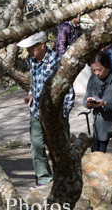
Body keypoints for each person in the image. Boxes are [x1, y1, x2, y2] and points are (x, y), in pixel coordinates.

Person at [18, 31, 75, 187]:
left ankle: (64, 179)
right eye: (27, 48)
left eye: (31, 48)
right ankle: (44, 180)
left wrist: (62, 116)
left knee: (61, 149)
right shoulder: (32, 59)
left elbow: (68, 92)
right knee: (37, 146)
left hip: (56, 115)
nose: (28, 52)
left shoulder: (59, 62)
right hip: (36, 111)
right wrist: (31, 94)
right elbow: (35, 81)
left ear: (42, 45)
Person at [84, 51, 112, 153]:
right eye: (94, 70)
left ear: (108, 66)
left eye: (99, 69)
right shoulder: (93, 79)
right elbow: (85, 100)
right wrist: (89, 103)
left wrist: (105, 104)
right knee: (97, 160)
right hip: (99, 126)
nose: (97, 73)